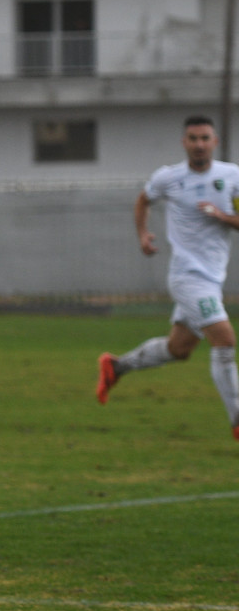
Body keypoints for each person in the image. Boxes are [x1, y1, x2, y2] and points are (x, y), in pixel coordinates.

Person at [97, 114, 239, 440]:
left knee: (179, 348)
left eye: (205, 138)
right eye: (193, 139)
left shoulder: (231, 176)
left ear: (215, 142)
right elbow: (143, 200)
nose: (199, 144)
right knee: (225, 340)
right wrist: (143, 235)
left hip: (212, 279)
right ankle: (237, 419)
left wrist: (222, 216)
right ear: (184, 143)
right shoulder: (169, 178)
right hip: (187, 277)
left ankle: (116, 367)